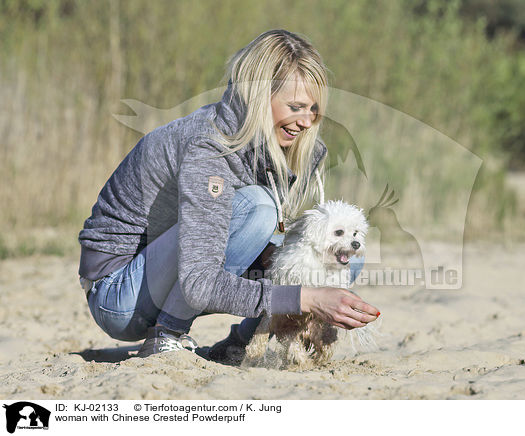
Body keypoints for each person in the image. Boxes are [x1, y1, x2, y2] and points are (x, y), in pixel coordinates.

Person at [78, 29, 380, 361]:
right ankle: (167, 335)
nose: (306, 121)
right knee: (257, 208)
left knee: (339, 255)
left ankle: (241, 343)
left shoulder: (288, 148)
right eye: (295, 107)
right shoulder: (209, 146)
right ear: (259, 97)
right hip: (120, 294)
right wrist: (305, 298)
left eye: (313, 109)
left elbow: (259, 241)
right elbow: (199, 280)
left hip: (180, 269)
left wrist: (289, 265)